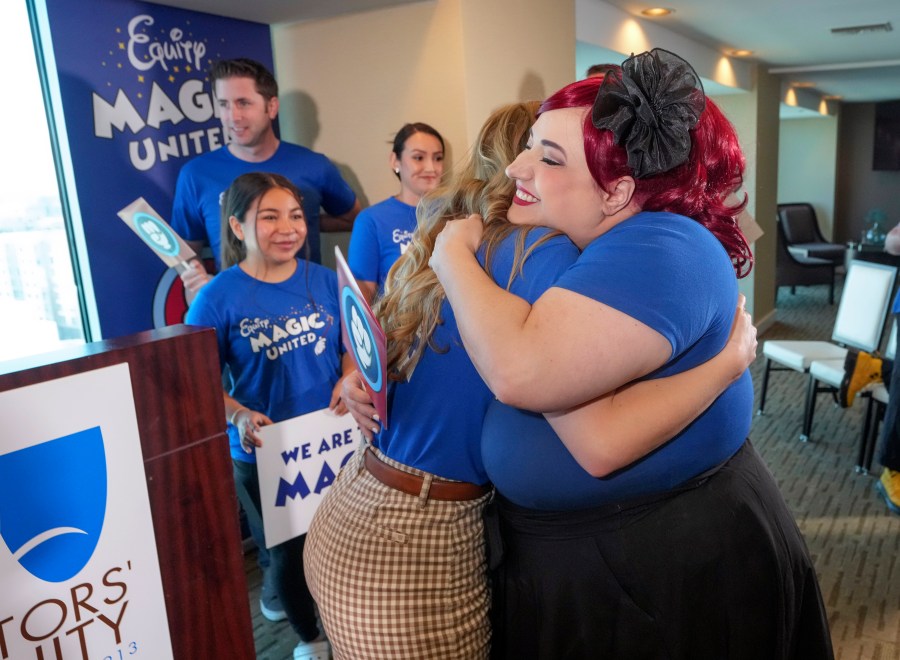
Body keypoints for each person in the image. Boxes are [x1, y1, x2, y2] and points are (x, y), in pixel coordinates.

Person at [305, 98, 758, 658]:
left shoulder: (458, 239)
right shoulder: (537, 251)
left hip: (361, 497)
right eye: (533, 152)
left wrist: (361, 382)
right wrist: (728, 365)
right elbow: (595, 437)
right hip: (416, 535)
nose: (527, 168)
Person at [429, 49, 833, 658]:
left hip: (662, 566)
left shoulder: (661, 244)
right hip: (597, 559)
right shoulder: (582, 246)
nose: (516, 167)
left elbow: (539, 391)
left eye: (548, 156)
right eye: (530, 144)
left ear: (617, 189)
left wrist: (450, 257)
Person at [185, 172, 354, 660]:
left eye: (296, 215)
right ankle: (309, 639)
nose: (288, 227)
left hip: (333, 439)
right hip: (265, 452)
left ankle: (346, 624)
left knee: (338, 540)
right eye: (270, 217)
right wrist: (236, 415)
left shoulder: (324, 280)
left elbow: (350, 347)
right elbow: (201, 382)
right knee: (288, 553)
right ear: (238, 227)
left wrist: (347, 377)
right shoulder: (217, 297)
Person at [172, 58, 361, 294]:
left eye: (243, 103)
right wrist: (199, 282)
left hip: (309, 304)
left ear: (271, 107)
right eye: (224, 104)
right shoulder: (196, 174)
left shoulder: (315, 166)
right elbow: (186, 249)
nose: (233, 116)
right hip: (237, 309)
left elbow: (353, 218)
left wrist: (303, 221)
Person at [348, 122, 445, 302]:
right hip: (396, 327)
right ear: (395, 161)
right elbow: (362, 300)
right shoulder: (371, 221)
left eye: (438, 158)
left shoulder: (457, 214)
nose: (431, 168)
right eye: (418, 158)